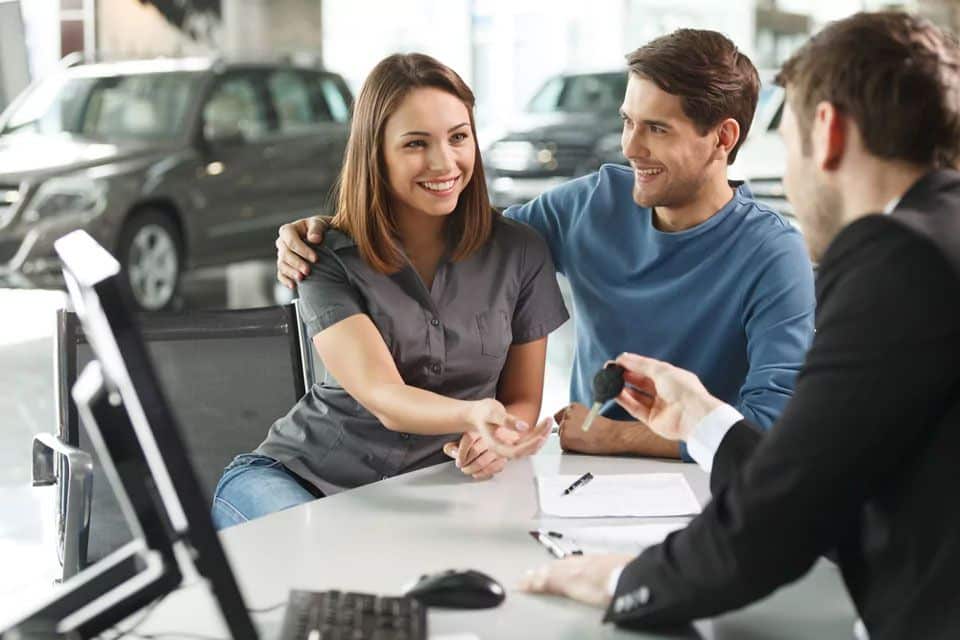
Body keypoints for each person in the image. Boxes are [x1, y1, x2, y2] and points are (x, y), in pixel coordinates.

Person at [518, 12, 960, 639]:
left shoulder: (897, 260)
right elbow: (819, 467)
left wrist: (622, 580)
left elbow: (784, 516)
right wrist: (699, 418)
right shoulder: (942, 236)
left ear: (826, 133)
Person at [273, 29, 816, 463]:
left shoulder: (774, 254)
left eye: (657, 129)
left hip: (709, 486)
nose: (630, 146)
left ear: (723, 138)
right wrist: (329, 229)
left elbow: (771, 428)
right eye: (628, 122)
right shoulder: (587, 205)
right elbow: (458, 228)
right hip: (583, 477)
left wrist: (615, 437)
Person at [211, 53, 567, 529]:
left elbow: (522, 398)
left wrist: (496, 438)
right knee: (327, 564)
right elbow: (383, 395)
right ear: (374, 153)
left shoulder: (519, 251)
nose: (444, 161)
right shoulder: (324, 255)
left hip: (428, 492)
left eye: (459, 137)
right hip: (296, 480)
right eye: (416, 143)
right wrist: (475, 414)